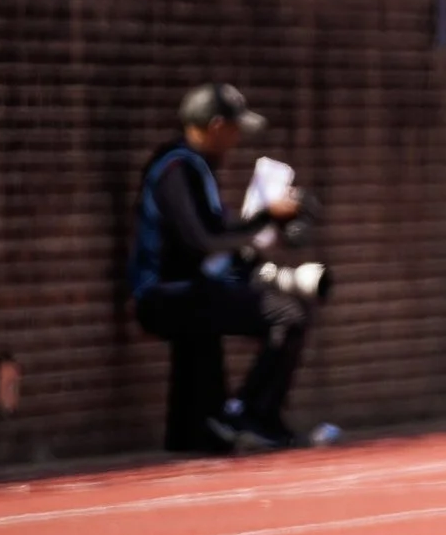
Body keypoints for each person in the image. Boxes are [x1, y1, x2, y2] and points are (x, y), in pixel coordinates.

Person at [129, 83, 311, 452]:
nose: (237, 137)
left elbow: (214, 234)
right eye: (234, 128)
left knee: (204, 344)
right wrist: (264, 218)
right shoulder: (176, 168)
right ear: (215, 126)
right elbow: (200, 239)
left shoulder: (193, 166)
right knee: (287, 315)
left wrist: (258, 233)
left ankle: (198, 431)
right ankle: (250, 415)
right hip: (166, 294)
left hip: (188, 289)